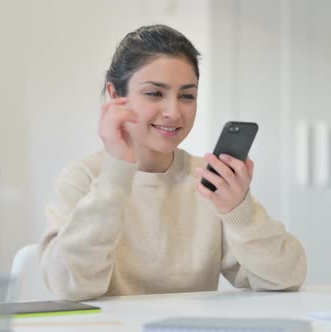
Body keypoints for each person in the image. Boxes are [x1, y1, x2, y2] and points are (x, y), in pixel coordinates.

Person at [39, 24, 306, 301]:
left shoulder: (207, 182)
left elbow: (285, 278)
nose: (173, 112)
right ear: (116, 94)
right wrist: (116, 173)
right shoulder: (82, 178)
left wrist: (240, 211)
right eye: (154, 93)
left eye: (187, 96)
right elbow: (70, 285)